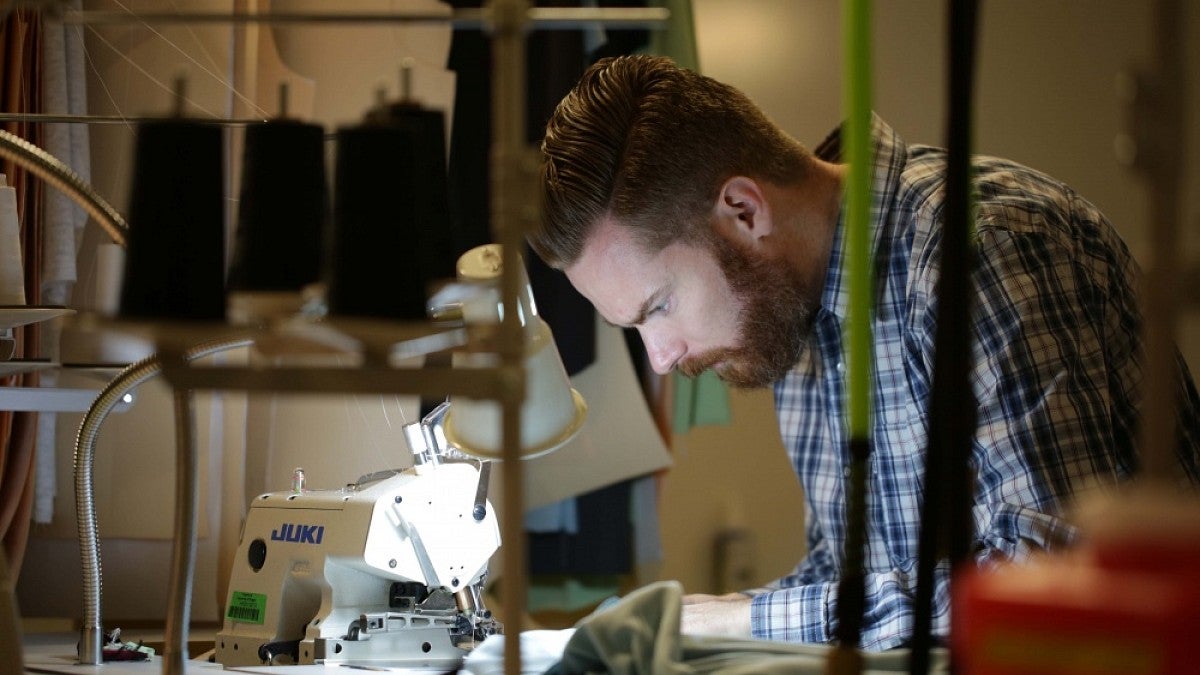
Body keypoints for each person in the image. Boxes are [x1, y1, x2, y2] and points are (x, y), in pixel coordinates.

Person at [527, 54, 1200, 650]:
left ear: (743, 212)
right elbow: (853, 580)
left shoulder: (979, 247)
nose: (662, 358)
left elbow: (1057, 582)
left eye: (658, 307)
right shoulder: (787, 312)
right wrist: (727, 615)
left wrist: (743, 618)